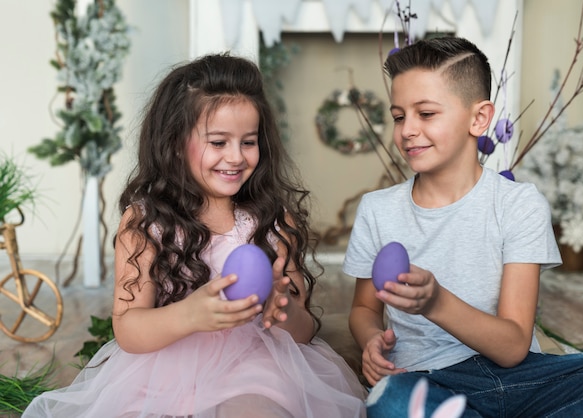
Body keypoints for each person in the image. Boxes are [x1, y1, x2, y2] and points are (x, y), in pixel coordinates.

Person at [24, 53, 366, 418]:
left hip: (259, 367)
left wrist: (281, 311)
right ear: (174, 142)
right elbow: (128, 327)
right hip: (163, 370)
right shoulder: (146, 223)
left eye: (248, 142)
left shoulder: (273, 221)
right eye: (218, 142)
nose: (236, 157)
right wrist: (190, 314)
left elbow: (302, 332)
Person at [342, 36, 583, 417]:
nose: (407, 129)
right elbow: (363, 308)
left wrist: (435, 302)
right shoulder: (377, 210)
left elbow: (511, 347)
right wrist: (371, 340)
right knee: (393, 400)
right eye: (398, 116)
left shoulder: (519, 204)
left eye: (425, 114)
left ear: (479, 118)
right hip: (427, 378)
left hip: (524, 379)